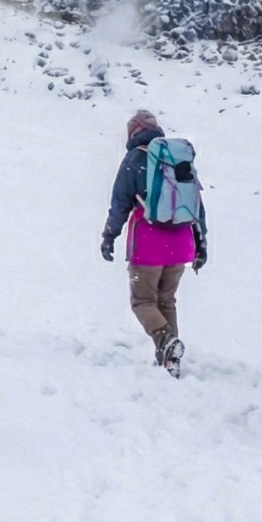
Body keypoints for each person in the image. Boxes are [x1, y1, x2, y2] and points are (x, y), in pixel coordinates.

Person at [99, 108, 208, 375]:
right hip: (181, 243)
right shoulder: (175, 160)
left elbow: (120, 203)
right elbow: (197, 206)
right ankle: (170, 362)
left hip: (148, 245)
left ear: (133, 132)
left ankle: (165, 340)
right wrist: (201, 245)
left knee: (142, 301)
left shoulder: (135, 159)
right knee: (166, 301)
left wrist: (109, 236)